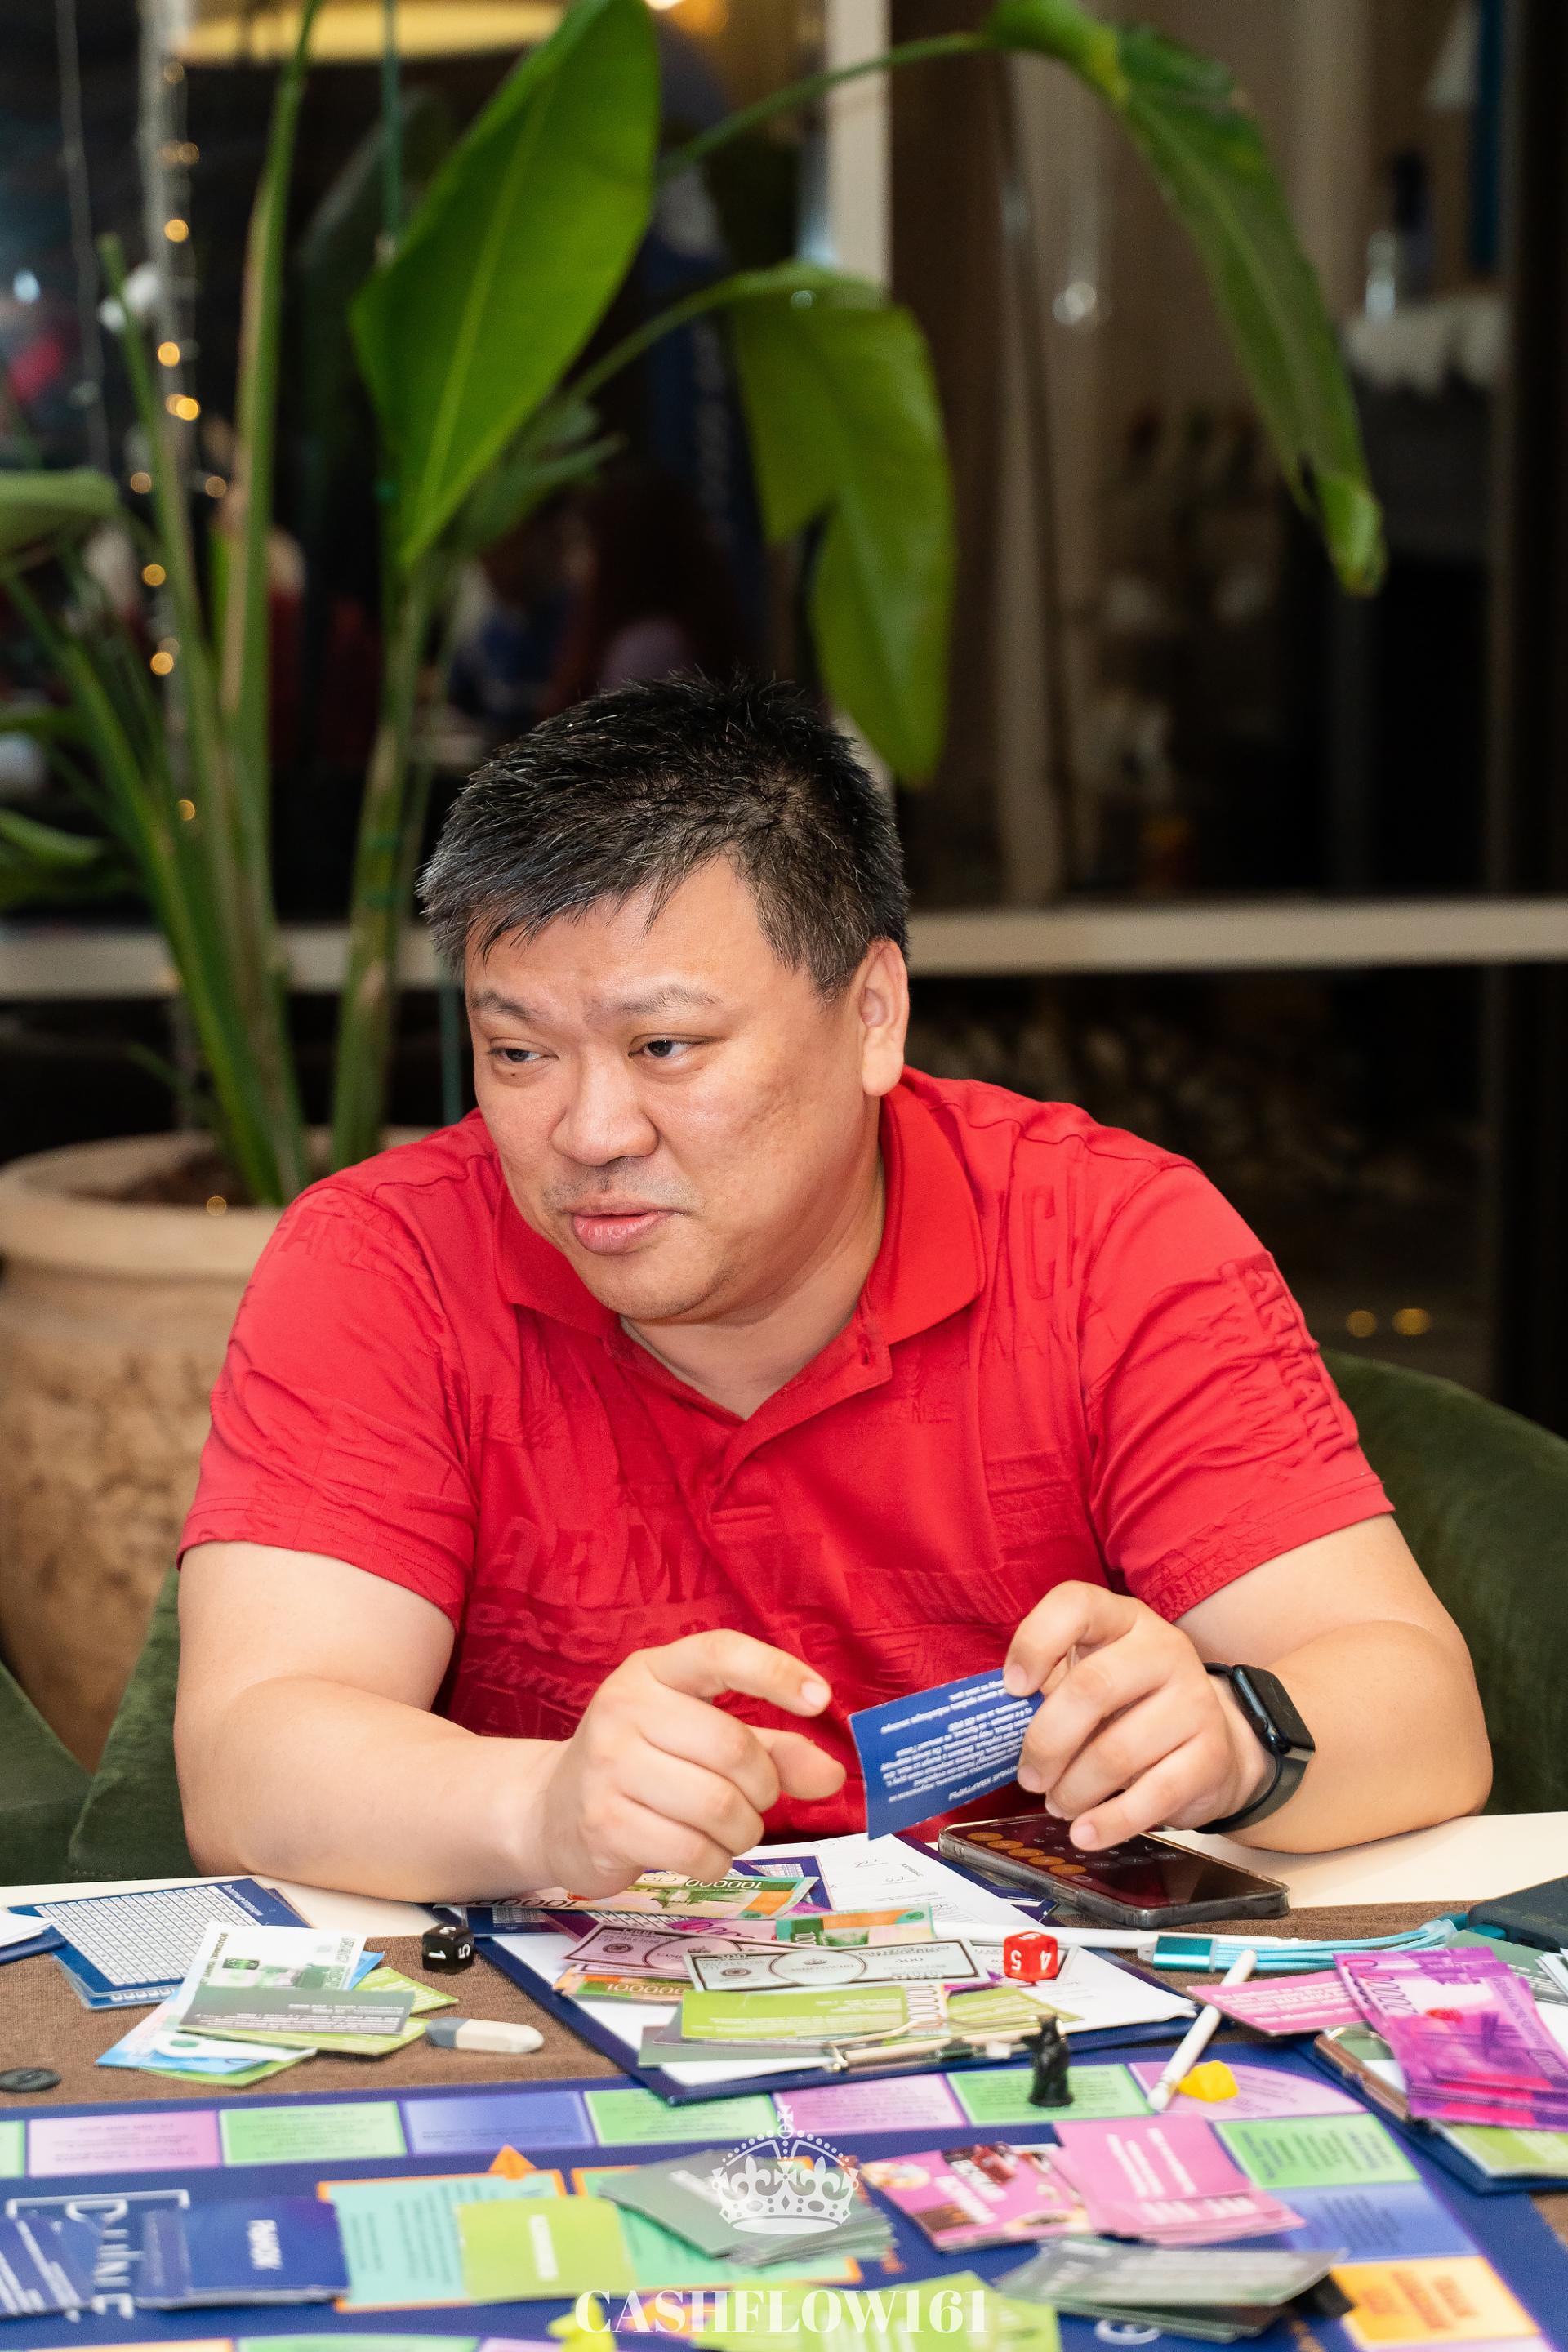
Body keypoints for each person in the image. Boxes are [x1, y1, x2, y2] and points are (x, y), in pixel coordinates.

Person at [175, 676, 1490, 1901]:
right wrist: (539, 1807)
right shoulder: (388, 1261)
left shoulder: (1103, 1239)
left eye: (664, 1045)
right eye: (517, 1052)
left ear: (872, 1015)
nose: (588, 1132)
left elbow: (1420, 1709)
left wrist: (1233, 1739)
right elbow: (251, 1756)